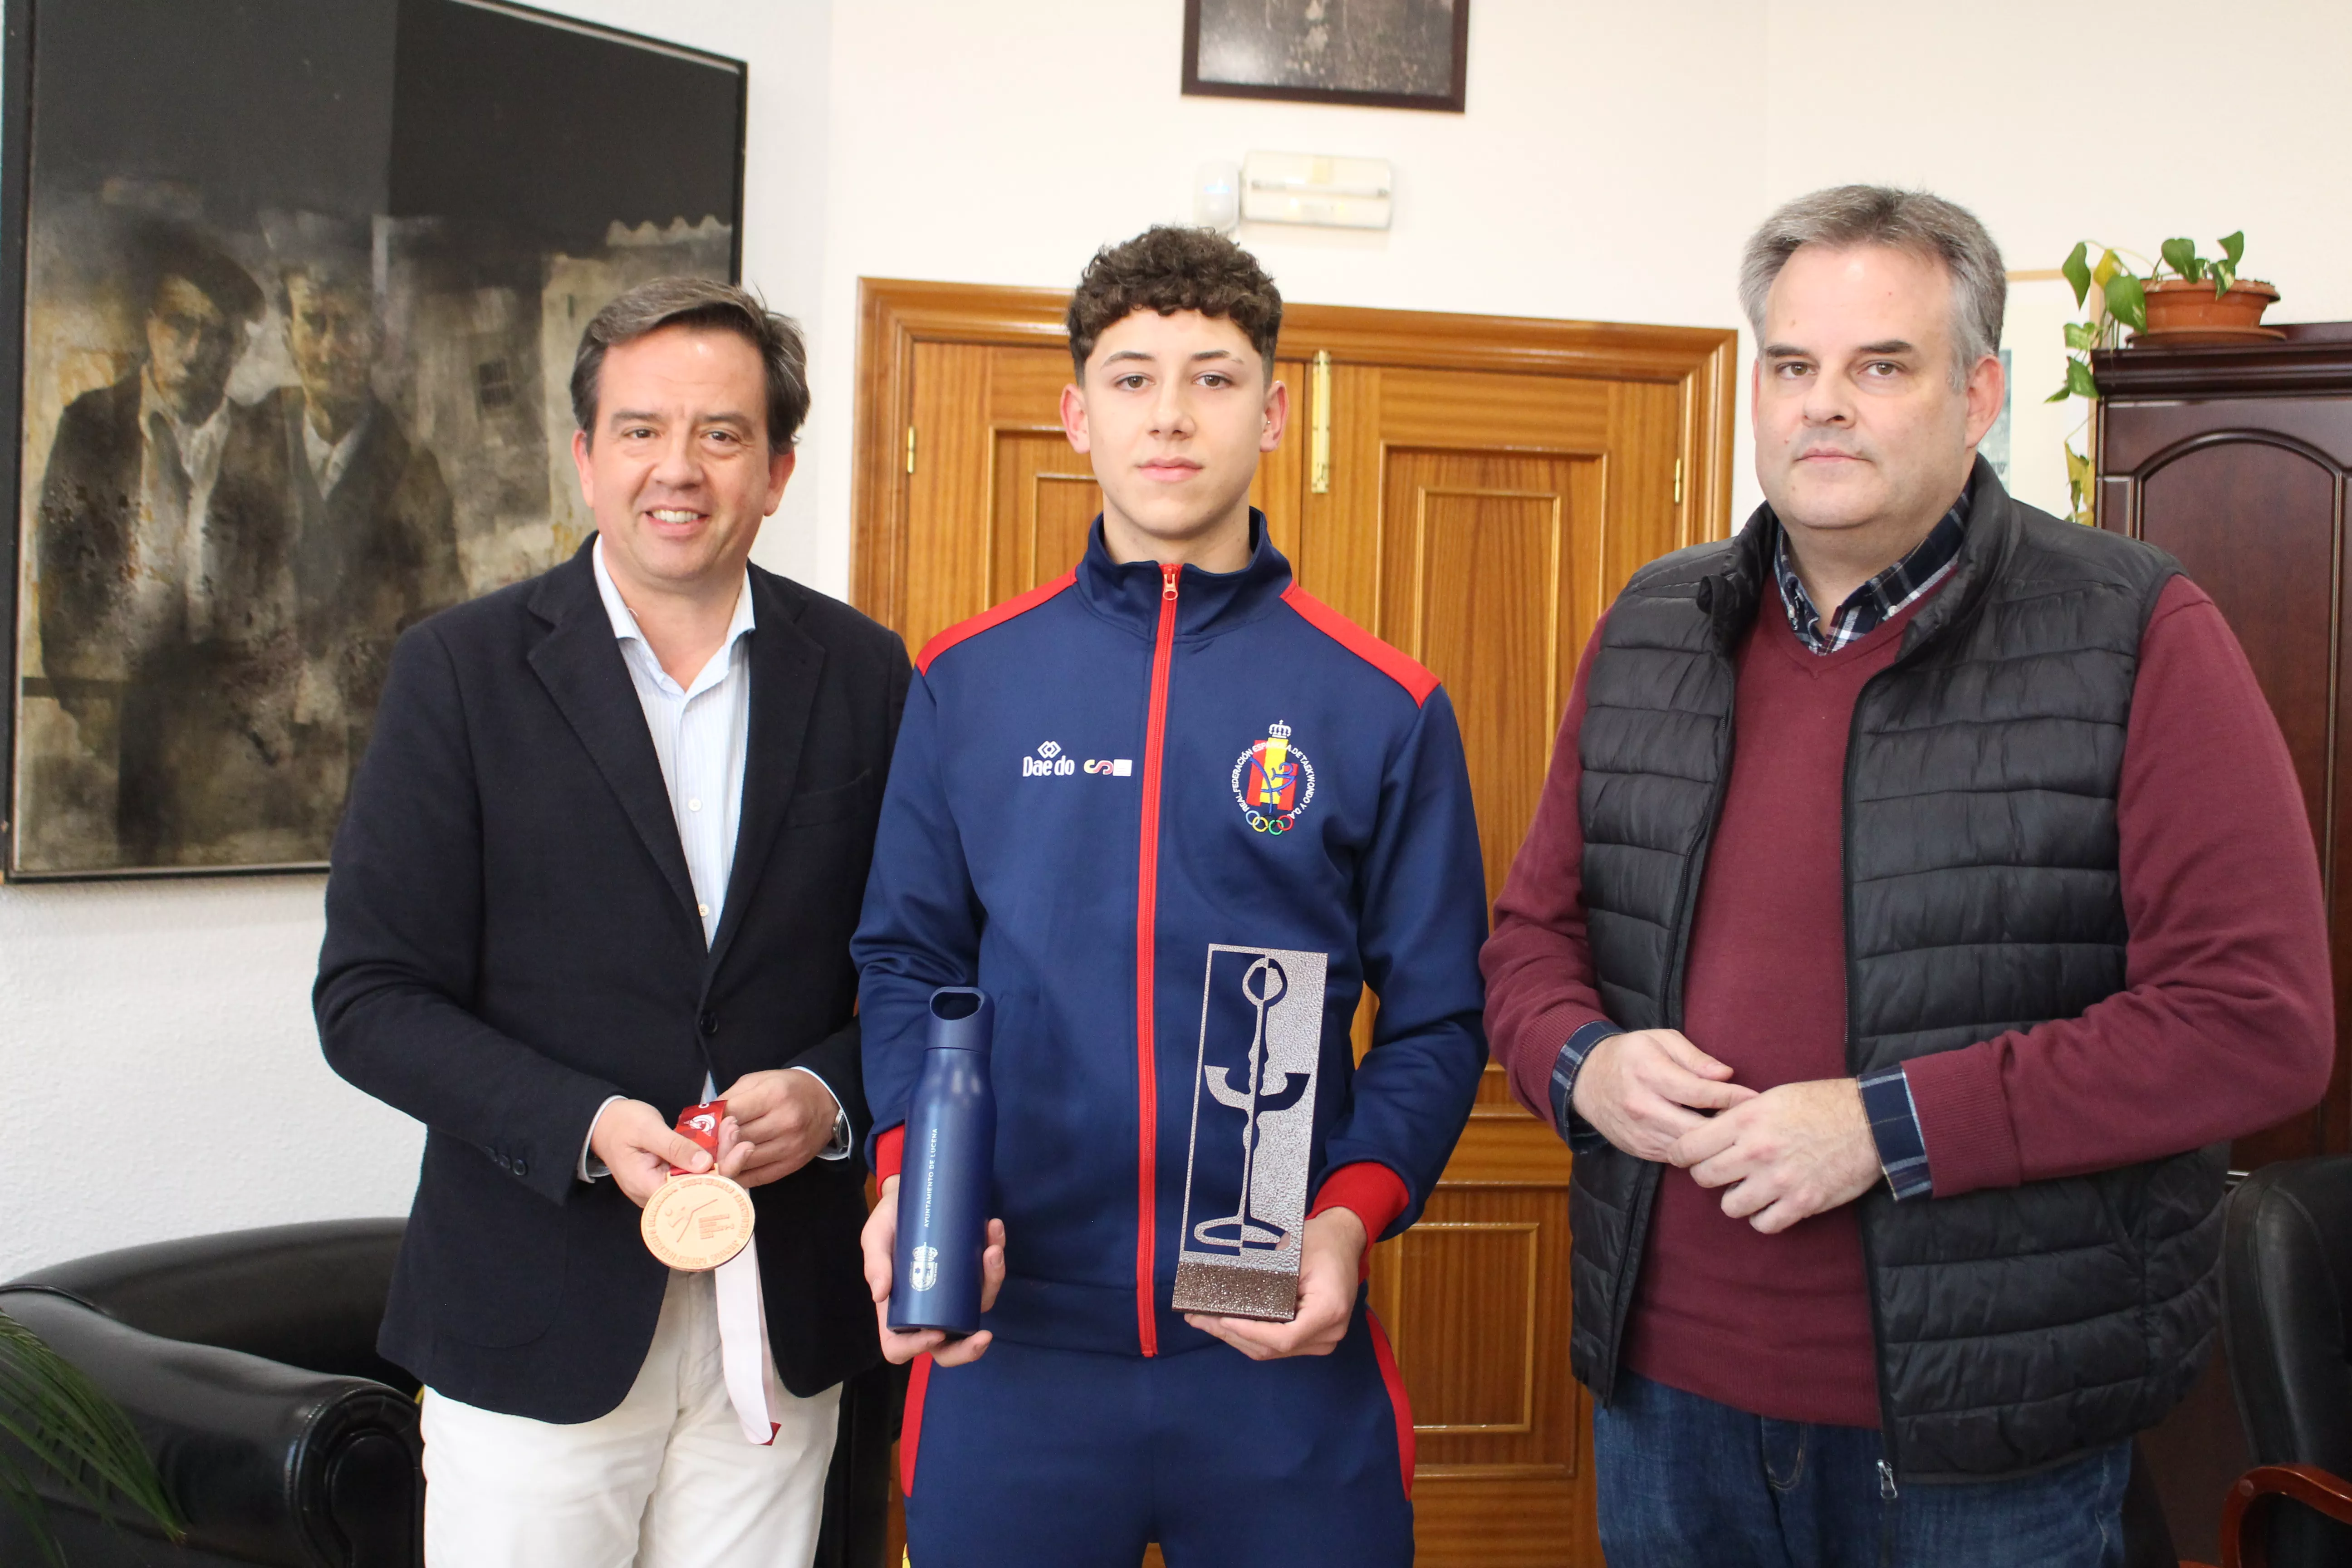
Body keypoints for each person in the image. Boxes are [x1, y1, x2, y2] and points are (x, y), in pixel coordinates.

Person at [1482, 184, 2336, 1566]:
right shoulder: (1651, 625)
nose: (1828, 405)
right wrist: (1580, 1061)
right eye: (1793, 366)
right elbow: (1528, 941)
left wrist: (1892, 1125)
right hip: (1668, 1413)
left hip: (1980, 1444)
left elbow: (2258, 1025)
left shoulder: (2135, 628)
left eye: (1883, 365)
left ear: (1980, 391)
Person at [852, 225, 1489, 1568]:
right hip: (1011, 1340)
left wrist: (1349, 1210)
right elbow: (902, 963)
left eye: (1213, 377)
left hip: (1268, 1344)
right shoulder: (967, 683)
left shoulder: (1384, 703)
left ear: (1275, 408)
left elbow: (1438, 1018)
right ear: (1078, 415)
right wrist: (915, 1190)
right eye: (1134, 378)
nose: (1173, 415)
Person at [316, 276, 908, 1567]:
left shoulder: (866, 674)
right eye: (640, 430)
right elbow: (368, 998)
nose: (677, 470)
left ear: (779, 468)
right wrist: (584, 1126)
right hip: (536, 1309)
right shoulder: (459, 675)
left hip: (783, 1324)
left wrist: (829, 1092)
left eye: (721, 433)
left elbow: (920, 966)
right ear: (585, 458)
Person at [212, 229, 464, 844]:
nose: (330, 348)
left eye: (347, 326)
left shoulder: (413, 473)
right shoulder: (251, 439)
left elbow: (441, 625)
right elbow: (214, 584)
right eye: (313, 324)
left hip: (366, 753)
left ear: (374, 340)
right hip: (252, 741)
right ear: (290, 334)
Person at [36, 224, 270, 864]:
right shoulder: (92, 425)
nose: (193, 351)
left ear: (236, 350)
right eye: (178, 324)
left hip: (229, 711)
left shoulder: (262, 443)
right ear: (149, 325)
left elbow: (290, 582)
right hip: (124, 701)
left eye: (215, 333)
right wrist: (89, 700)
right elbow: (58, 571)